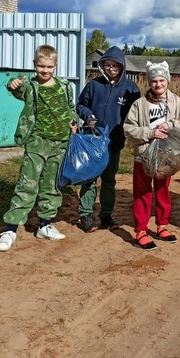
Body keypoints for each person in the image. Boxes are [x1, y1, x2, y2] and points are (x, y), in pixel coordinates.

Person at [0, 44, 79, 252]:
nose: (45, 70)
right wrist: (13, 85)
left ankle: (44, 224)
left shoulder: (65, 85)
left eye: (49, 67)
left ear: (56, 66)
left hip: (60, 143)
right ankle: (11, 229)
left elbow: (71, 108)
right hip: (37, 142)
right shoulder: (31, 86)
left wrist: (74, 121)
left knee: (51, 185)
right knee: (28, 183)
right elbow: (17, 89)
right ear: (35, 65)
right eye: (41, 66)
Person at [123, 61, 180, 250]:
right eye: (154, 81)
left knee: (163, 191)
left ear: (167, 81)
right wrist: (149, 133)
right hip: (144, 156)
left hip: (166, 158)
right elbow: (128, 129)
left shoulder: (176, 102)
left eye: (162, 80)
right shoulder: (139, 104)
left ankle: (162, 226)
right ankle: (141, 231)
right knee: (142, 192)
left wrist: (170, 126)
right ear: (149, 82)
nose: (158, 84)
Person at [75, 46, 140, 233]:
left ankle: (106, 215)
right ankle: (86, 215)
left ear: (122, 67)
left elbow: (135, 115)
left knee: (109, 180)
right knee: (89, 178)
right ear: (102, 66)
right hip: (92, 141)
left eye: (115, 66)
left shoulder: (131, 89)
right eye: (107, 65)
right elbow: (81, 104)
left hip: (113, 142)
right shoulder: (94, 85)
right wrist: (87, 115)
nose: (111, 69)